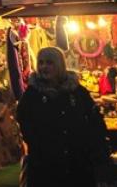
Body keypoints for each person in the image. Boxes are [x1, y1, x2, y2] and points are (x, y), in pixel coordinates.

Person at [16, 46, 110, 186]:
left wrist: (95, 148)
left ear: (59, 64)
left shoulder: (77, 92)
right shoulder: (32, 94)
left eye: (49, 62)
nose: (44, 67)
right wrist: (39, 145)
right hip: (46, 165)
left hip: (77, 163)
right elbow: (24, 121)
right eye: (41, 63)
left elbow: (94, 120)